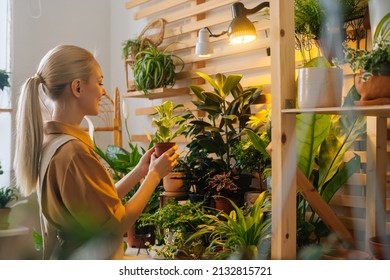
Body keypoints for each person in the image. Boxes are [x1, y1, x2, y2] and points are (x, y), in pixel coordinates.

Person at [13, 45, 179, 259]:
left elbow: (98, 207)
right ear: (78, 88)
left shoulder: (53, 142)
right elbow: (114, 227)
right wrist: (154, 176)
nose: (104, 91)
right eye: (99, 82)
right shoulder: (73, 152)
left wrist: (140, 171)